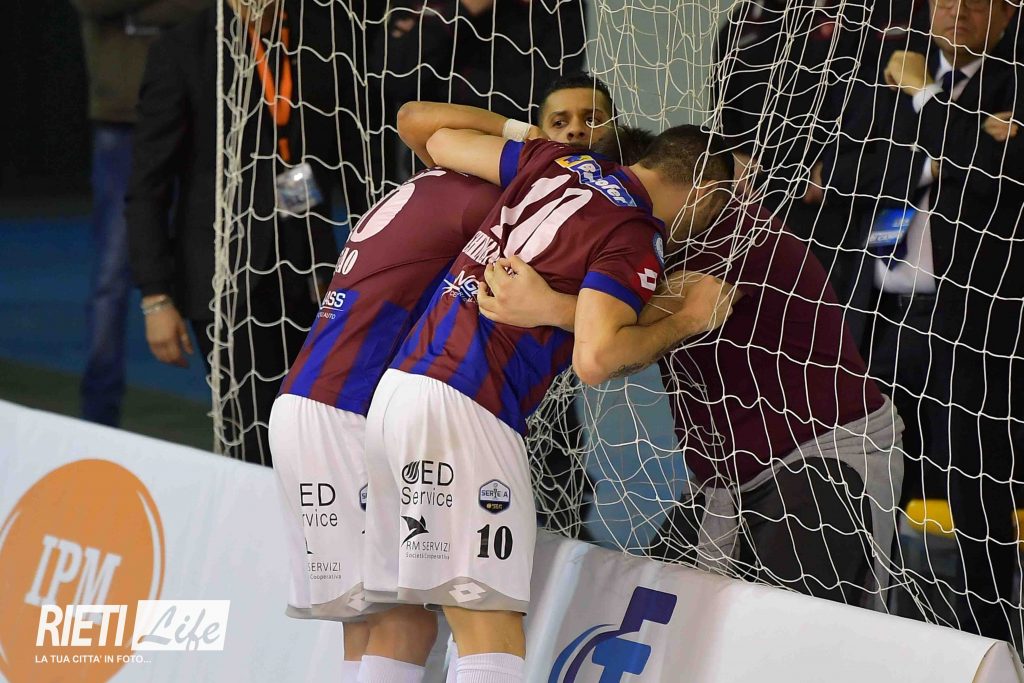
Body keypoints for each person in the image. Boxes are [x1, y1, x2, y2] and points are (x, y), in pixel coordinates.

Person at [358, 119, 736, 682]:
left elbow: (438, 141)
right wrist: (686, 318)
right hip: (468, 404)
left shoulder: (554, 161)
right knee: (489, 625)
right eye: (717, 208)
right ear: (703, 192)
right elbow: (597, 358)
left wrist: (526, 134)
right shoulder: (636, 230)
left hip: (396, 394)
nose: (708, 225)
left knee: (400, 621)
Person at [483, 133, 906, 611]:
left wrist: (546, 306)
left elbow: (616, 338)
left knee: (795, 626)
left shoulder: (730, 234)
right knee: (650, 610)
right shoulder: (646, 238)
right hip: (726, 477)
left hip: (818, 454)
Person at [822, 0, 1024, 640]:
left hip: (976, 318)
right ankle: (862, 616)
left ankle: (989, 631)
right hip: (885, 307)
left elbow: (998, 181)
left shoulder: (1011, 80)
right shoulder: (885, 68)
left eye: (977, 1)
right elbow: (845, 172)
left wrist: (924, 98)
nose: (958, 10)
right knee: (870, 463)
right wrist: (954, 146)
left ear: (1007, 13)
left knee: (975, 478)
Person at [125, 0, 343, 464]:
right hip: (224, 275)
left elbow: (323, 161)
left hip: (309, 267)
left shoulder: (317, 37)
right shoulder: (184, 48)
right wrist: (156, 296)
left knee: (318, 435)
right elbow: (148, 185)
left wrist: (334, 259)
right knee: (252, 438)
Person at [72, 0, 208, 426]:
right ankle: (99, 417)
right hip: (122, 117)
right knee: (112, 276)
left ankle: (236, 404)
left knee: (214, 249)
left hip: (204, 107)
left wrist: (137, 15)